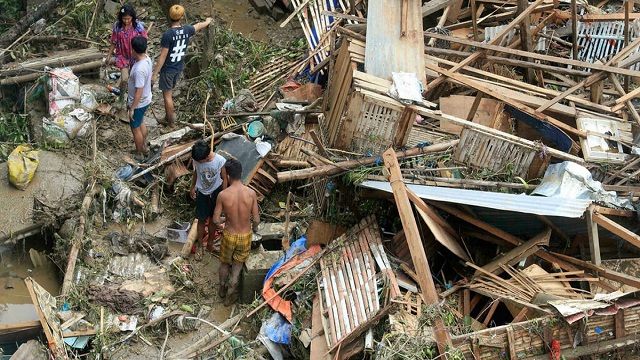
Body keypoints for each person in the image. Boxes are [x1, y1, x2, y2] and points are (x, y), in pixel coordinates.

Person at [152, 5, 212, 127]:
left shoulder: (168, 34)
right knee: (169, 93)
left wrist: (154, 74)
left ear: (170, 16)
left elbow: (163, 56)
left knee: (167, 96)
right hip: (178, 67)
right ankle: (167, 117)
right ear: (182, 17)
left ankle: (171, 122)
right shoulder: (187, 30)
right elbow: (199, 26)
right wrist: (208, 21)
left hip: (168, 69)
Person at [213, 158, 260, 306]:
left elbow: (215, 220)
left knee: (224, 264)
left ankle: (221, 290)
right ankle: (229, 297)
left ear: (227, 176)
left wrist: (225, 219)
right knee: (237, 269)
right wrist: (255, 229)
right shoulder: (251, 193)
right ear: (241, 173)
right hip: (245, 236)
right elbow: (256, 219)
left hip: (229, 234)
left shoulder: (223, 195)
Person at [191, 139, 227, 259]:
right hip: (202, 193)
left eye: (200, 161)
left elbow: (224, 179)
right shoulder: (197, 159)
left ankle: (210, 244)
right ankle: (200, 245)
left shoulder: (219, 161)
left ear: (206, 157)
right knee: (201, 220)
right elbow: (196, 173)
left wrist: (224, 195)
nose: (198, 162)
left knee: (213, 219)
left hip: (216, 193)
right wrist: (192, 188)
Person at [106, 4, 148, 101]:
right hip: (122, 55)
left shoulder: (137, 26)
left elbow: (144, 40)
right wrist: (108, 55)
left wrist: (144, 55)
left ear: (132, 17)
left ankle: (133, 98)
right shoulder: (117, 26)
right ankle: (121, 99)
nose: (126, 21)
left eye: (129, 19)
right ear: (121, 18)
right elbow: (114, 41)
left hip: (135, 55)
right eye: (124, 19)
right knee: (124, 79)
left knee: (134, 78)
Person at [127, 36, 153, 157]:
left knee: (135, 128)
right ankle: (144, 147)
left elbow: (139, 90)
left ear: (133, 50)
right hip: (146, 99)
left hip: (139, 102)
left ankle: (138, 152)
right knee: (141, 121)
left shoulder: (139, 69)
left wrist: (132, 108)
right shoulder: (147, 59)